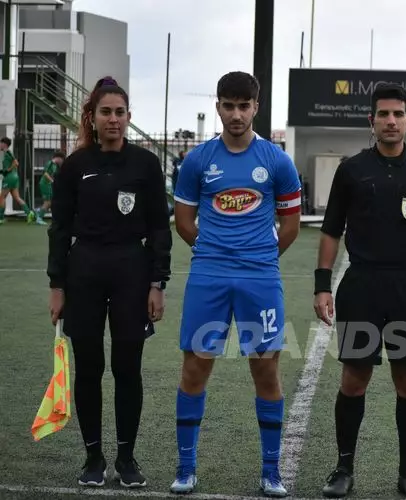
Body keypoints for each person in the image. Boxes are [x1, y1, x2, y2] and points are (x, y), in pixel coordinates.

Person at [314, 82, 406, 499]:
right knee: (353, 377)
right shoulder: (351, 170)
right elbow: (331, 230)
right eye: (384, 114)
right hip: (361, 284)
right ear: (372, 120)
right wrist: (322, 286)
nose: (391, 121)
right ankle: (343, 468)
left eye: (398, 114)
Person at [170, 71, 302, 497]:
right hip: (208, 275)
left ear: (256, 107)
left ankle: (271, 471)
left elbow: (291, 224)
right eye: (228, 106)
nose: (236, 114)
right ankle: (186, 468)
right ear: (218, 107)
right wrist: (213, 252)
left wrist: (260, 258)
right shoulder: (197, 160)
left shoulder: (277, 161)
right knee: (195, 366)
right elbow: (184, 221)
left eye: (244, 106)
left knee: (265, 367)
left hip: (260, 277)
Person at [46, 76, 172, 488]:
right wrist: (57, 285)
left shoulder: (146, 164)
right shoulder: (75, 166)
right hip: (84, 271)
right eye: (105, 112)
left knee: (127, 368)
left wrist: (157, 282)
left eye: (119, 112)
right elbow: (59, 228)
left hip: (132, 271)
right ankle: (93, 458)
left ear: (128, 117)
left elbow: (159, 227)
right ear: (93, 117)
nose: (113, 119)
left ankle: (127, 458)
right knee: (89, 368)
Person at [0, 137, 35, 224]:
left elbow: (16, 162)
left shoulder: (8, 152)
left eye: (0, 143)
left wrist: (8, 170)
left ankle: (1, 218)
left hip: (9, 177)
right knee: (17, 197)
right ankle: (29, 213)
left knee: (2, 197)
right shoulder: (7, 153)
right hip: (14, 177)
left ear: (4, 144)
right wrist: (3, 171)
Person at [35, 151, 65, 225]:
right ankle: (39, 218)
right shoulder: (50, 163)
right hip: (45, 184)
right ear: (59, 158)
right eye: (62, 160)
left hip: (48, 184)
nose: (62, 162)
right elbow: (45, 173)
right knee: (47, 202)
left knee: (50, 201)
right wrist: (52, 181)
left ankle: (37, 211)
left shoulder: (55, 165)